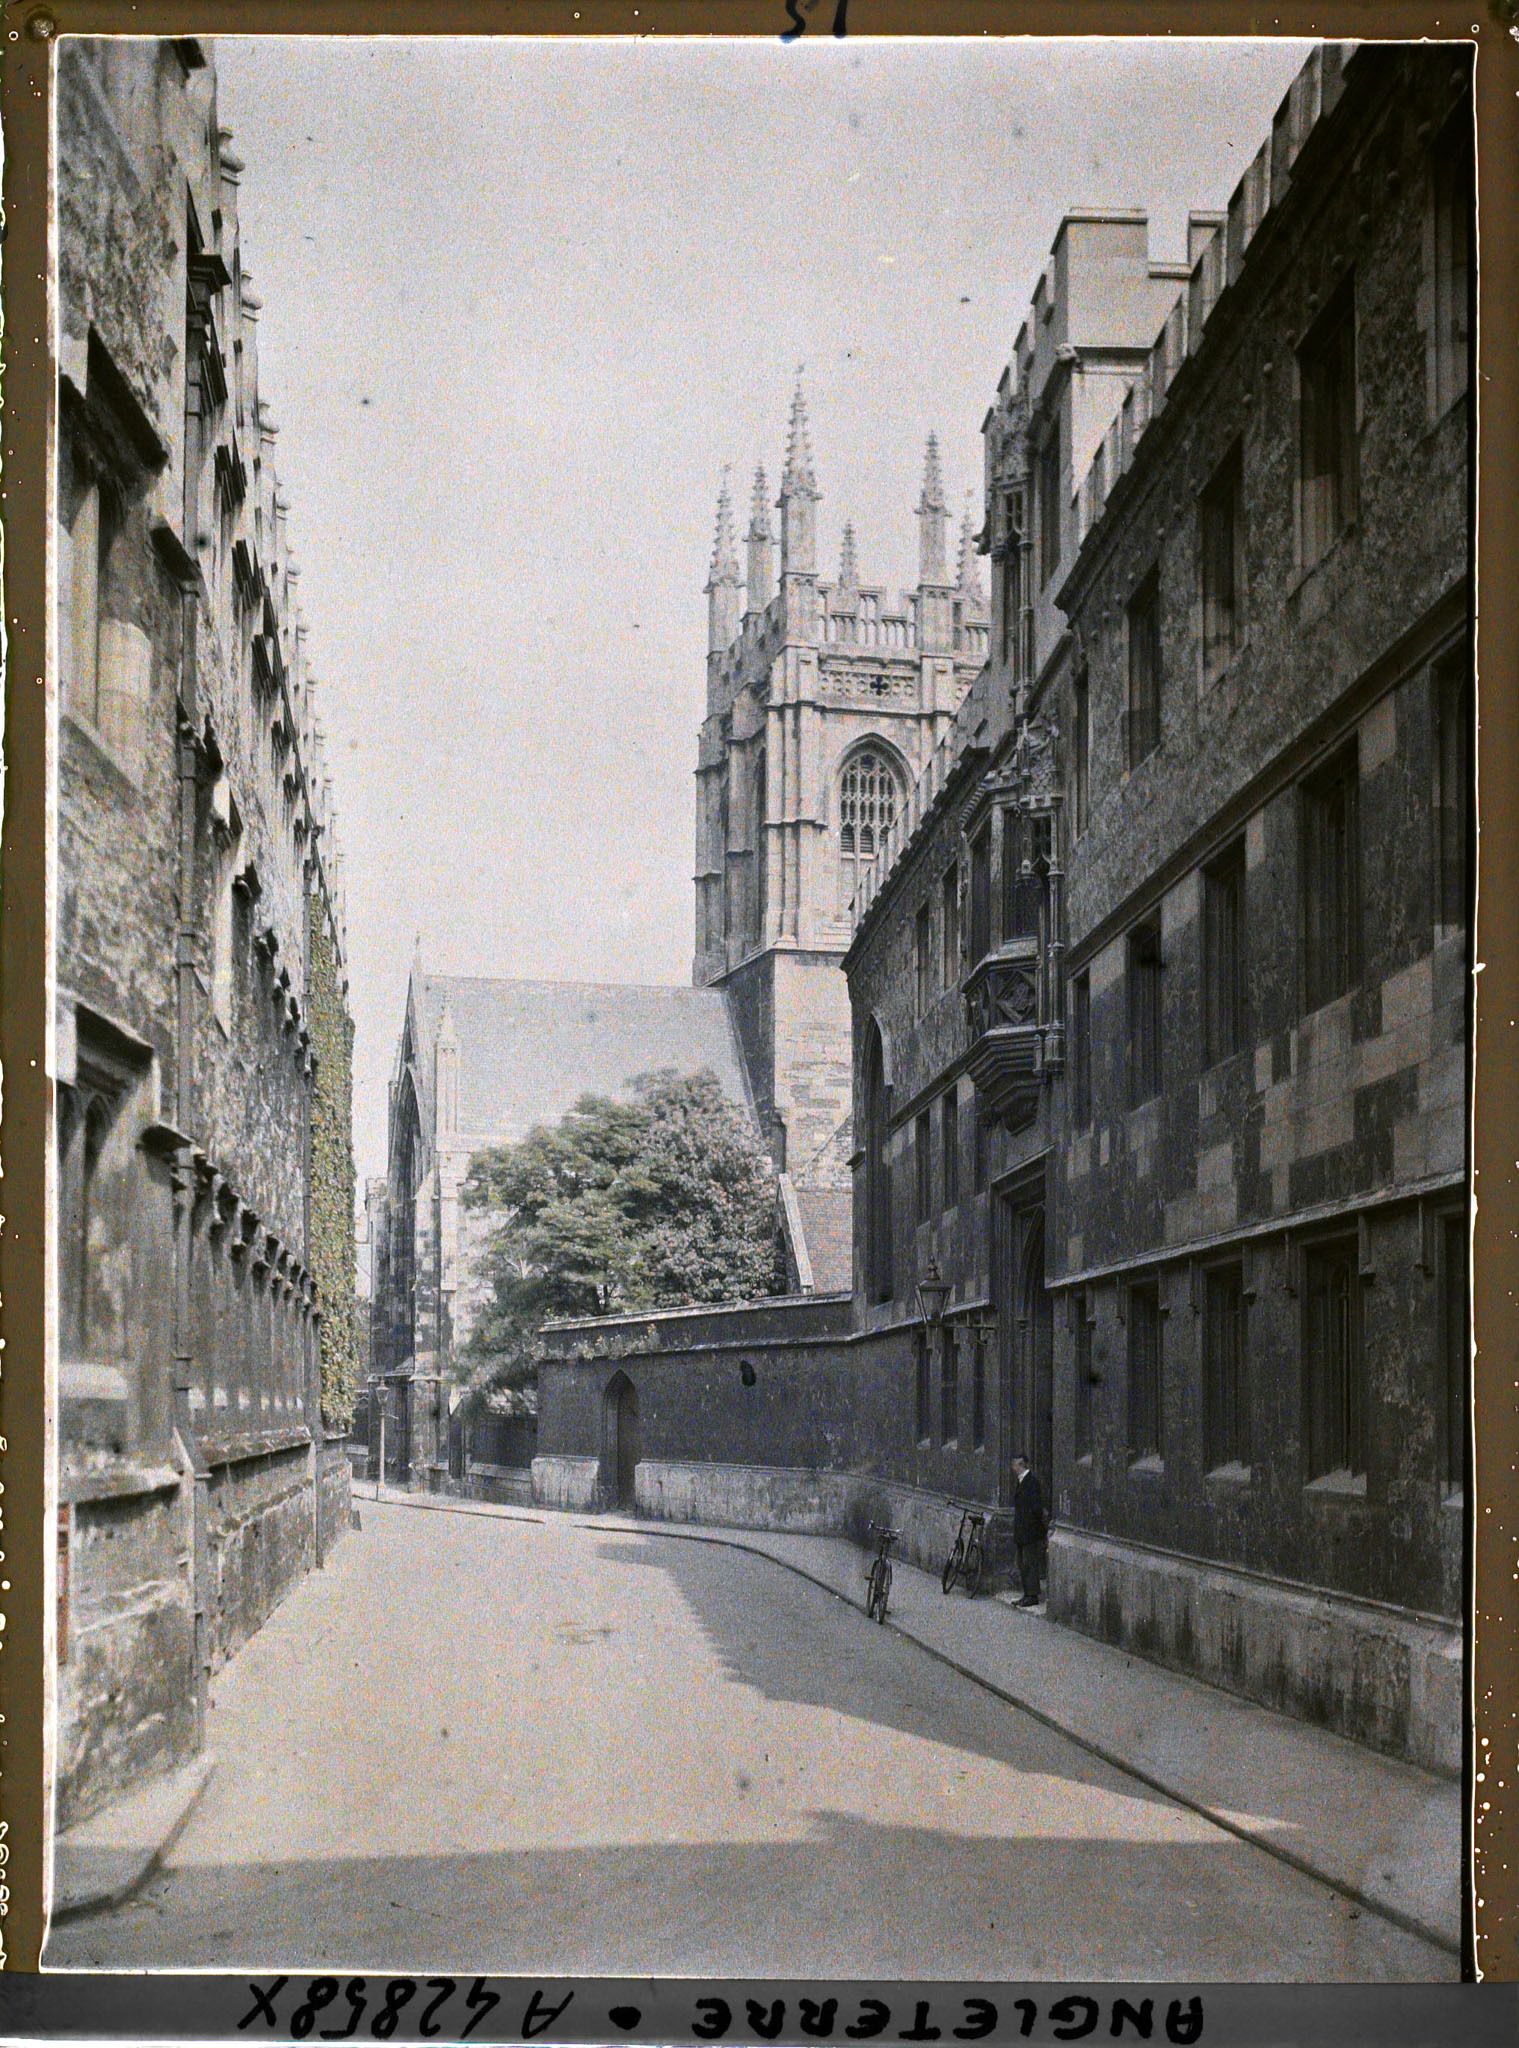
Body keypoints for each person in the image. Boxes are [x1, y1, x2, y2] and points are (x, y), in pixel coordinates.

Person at [1010, 1452, 1048, 1609]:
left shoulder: (1031, 1482)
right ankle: (1027, 1594)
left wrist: (1033, 1527)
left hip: (1029, 1531)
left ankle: (1032, 1595)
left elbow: (1036, 1508)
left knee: (1029, 1563)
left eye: (1015, 1465)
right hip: (1023, 1530)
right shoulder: (1023, 1481)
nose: (1013, 1468)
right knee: (1023, 1563)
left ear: (1021, 1465)